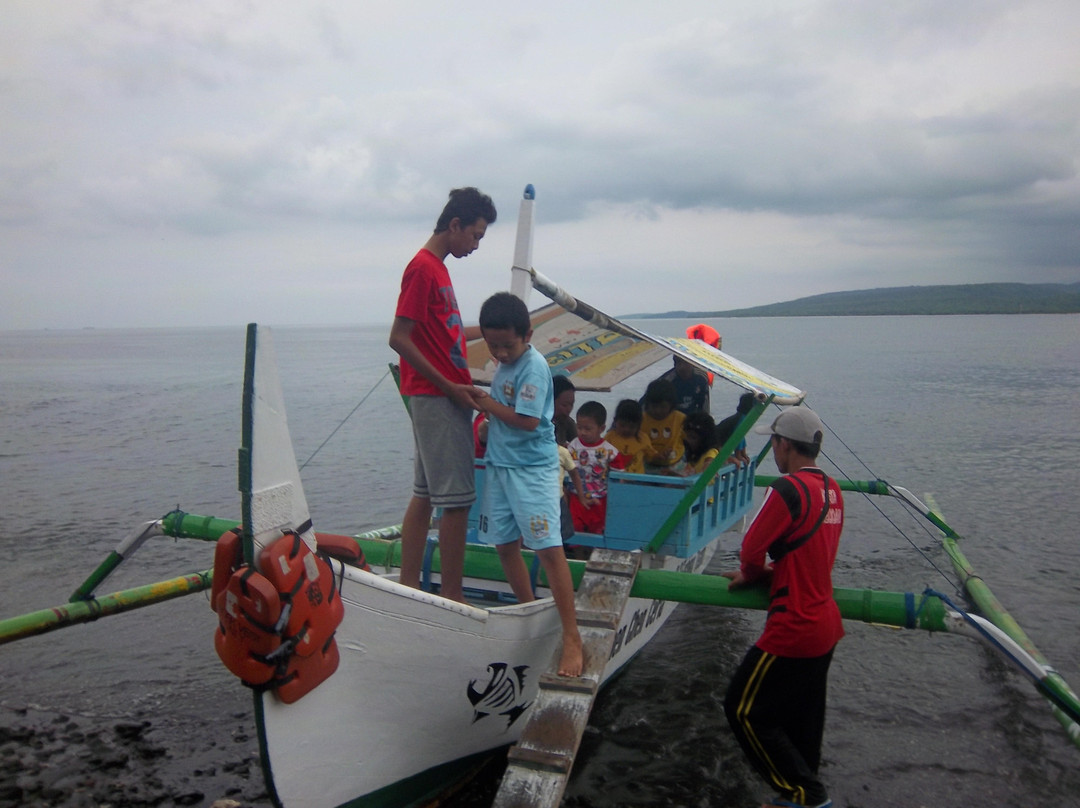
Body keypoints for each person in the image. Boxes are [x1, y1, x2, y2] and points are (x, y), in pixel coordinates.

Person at [722, 407, 844, 808]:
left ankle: (808, 794)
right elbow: (812, 553)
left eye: (773, 441)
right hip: (825, 623)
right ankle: (800, 798)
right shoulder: (832, 489)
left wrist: (753, 573)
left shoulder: (787, 489)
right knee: (802, 722)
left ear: (785, 444)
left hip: (795, 624)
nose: (773, 449)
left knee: (742, 709)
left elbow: (751, 549)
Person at [388, 187, 496, 603]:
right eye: (475, 235)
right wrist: (450, 387)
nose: (475, 245)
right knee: (457, 503)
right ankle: (452, 596)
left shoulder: (439, 269)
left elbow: (447, 334)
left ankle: (409, 585)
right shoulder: (422, 268)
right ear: (455, 225)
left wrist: (492, 332)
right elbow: (399, 338)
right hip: (438, 397)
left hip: (439, 395)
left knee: (426, 494)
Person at [474, 292, 584, 677]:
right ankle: (528, 610)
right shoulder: (505, 365)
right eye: (494, 345)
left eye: (508, 345)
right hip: (502, 467)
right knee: (505, 545)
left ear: (528, 335)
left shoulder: (533, 367)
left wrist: (485, 405)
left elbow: (528, 421)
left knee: (548, 549)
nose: (501, 354)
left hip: (531, 471)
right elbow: (505, 417)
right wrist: (488, 424)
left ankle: (572, 637)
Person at [567, 401, 626, 534]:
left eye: (587, 429)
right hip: (576, 496)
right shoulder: (573, 446)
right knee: (575, 527)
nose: (582, 432)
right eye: (579, 427)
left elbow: (620, 475)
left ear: (601, 428)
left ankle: (591, 553)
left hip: (600, 498)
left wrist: (615, 496)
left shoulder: (610, 451)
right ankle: (579, 554)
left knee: (598, 529)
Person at [640, 379, 686, 473]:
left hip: (675, 465)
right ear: (647, 404)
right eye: (654, 407)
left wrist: (672, 453)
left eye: (663, 407)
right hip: (648, 465)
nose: (658, 411)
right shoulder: (641, 419)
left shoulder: (680, 419)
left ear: (671, 405)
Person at [644, 356, 711, 415]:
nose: (682, 367)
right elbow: (647, 401)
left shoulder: (701, 377)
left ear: (692, 362)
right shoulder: (667, 380)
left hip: (691, 419)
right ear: (674, 365)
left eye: (686, 362)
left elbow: (704, 406)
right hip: (670, 418)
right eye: (679, 363)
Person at [553, 414, 584, 541]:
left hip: (557, 499)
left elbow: (574, 474)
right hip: (537, 499)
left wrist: (581, 497)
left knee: (559, 536)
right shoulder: (533, 450)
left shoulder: (562, 452)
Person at [603, 399, 651, 474]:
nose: (626, 429)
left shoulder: (643, 438)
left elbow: (650, 456)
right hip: (614, 478)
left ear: (639, 425)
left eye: (632, 427)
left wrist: (661, 456)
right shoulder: (610, 437)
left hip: (637, 479)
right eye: (622, 425)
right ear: (615, 421)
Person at [715, 391, 758, 468]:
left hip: (720, 442)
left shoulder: (741, 416)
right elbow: (737, 436)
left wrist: (744, 454)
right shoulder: (742, 418)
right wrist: (738, 455)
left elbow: (741, 437)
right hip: (716, 443)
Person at [679, 411, 720, 475]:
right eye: (687, 436)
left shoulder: (710, 452)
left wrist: (708, 464)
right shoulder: (691, 454)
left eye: (693, 438)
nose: (688, 440)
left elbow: (710, 459)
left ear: (705, 440)